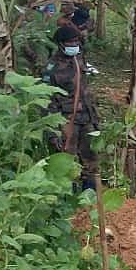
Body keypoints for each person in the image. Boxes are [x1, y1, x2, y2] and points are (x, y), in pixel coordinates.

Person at [43, 26, 99, 191]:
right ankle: (70, 199)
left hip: (87, 118)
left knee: (91, 159)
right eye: (70, 42)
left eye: (76, 41)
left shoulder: (79, 59)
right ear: (60, 44)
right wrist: (52, 133)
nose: (74, 45)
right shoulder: (51, 68)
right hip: (67, 122)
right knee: (66, 162)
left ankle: (90, 197)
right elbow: (47, 101)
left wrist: (95, 120)